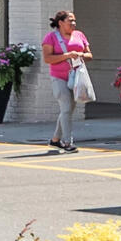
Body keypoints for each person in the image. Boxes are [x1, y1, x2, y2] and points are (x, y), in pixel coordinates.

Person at [41, 10, 92, 153]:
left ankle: (55, 140)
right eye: (70, 21)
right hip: (59, 77)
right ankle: (67, 142)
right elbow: (48, 59)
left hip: (77, 78)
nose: (73, 24)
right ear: (61, 23)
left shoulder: (79, 35)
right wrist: (67, 56)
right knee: (66, 108)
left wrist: (81, 55)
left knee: (67, 110)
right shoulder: (50, 37)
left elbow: (89, 55)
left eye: (74, 21)